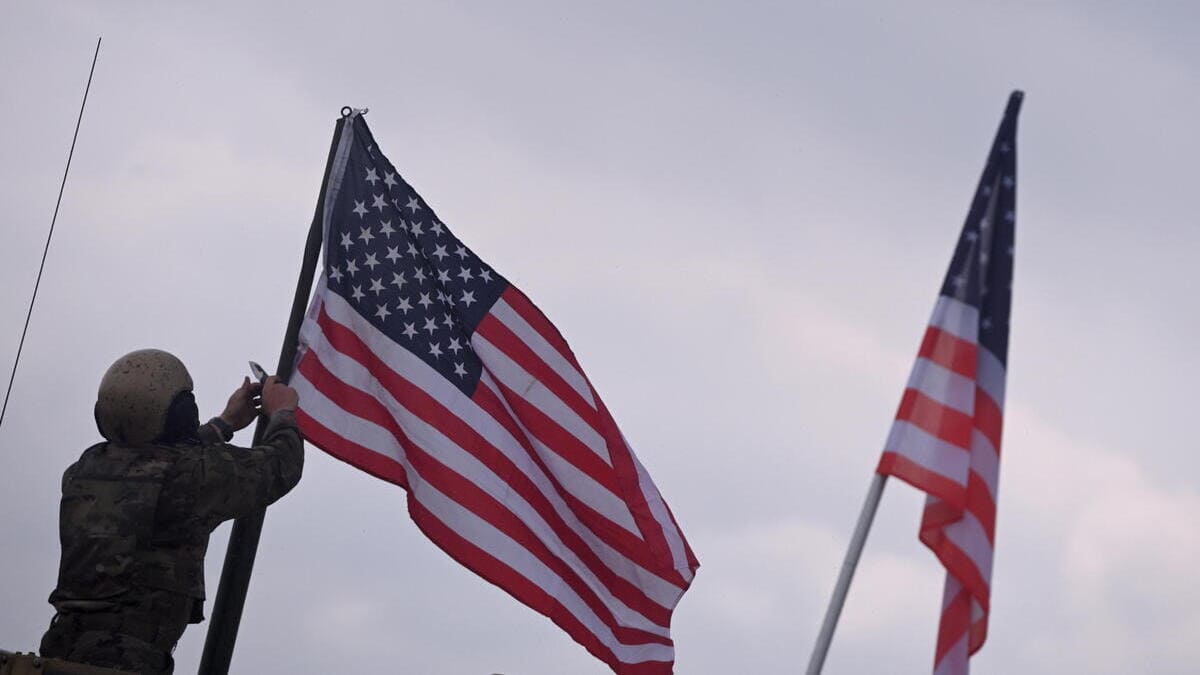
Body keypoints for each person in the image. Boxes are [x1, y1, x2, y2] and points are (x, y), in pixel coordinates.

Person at [38, 349, 304, 674]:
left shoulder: (82, 470)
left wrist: (223, 424)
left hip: (61, 651)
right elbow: (280, 464)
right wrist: (282, 412)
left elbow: (160, 465)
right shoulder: (190, 477)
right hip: (127, 660)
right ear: (180, 414)